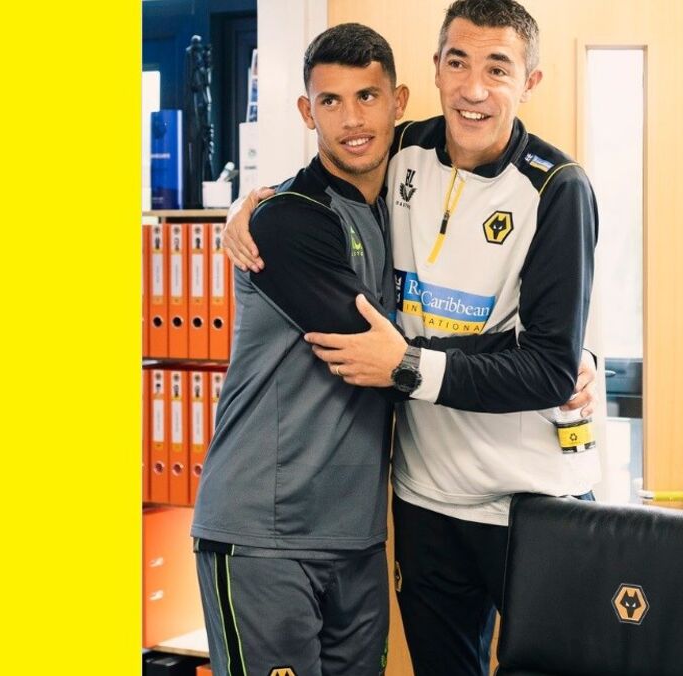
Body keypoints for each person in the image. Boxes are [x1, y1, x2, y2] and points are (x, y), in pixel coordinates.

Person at [222, 2, 601, 675]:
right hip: (425, 501)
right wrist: (250, 204)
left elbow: (549, 367)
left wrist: (561, 358)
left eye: (497, 68)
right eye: (458, 63)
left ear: (530, 81)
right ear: (434, 72)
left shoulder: (558, 188)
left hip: (533, 501)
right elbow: (336, 158)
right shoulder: (404, 151)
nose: (474, 88)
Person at [190, 25, 406, 676]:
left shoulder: (400, 204)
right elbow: (376, 355)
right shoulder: (285, 220)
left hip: (355, 535)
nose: (352, 120)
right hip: (263, 534)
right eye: (331, 101)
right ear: (307, 112)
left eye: (368, 97)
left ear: (398, 103)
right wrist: (531, 364)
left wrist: (574, 358)